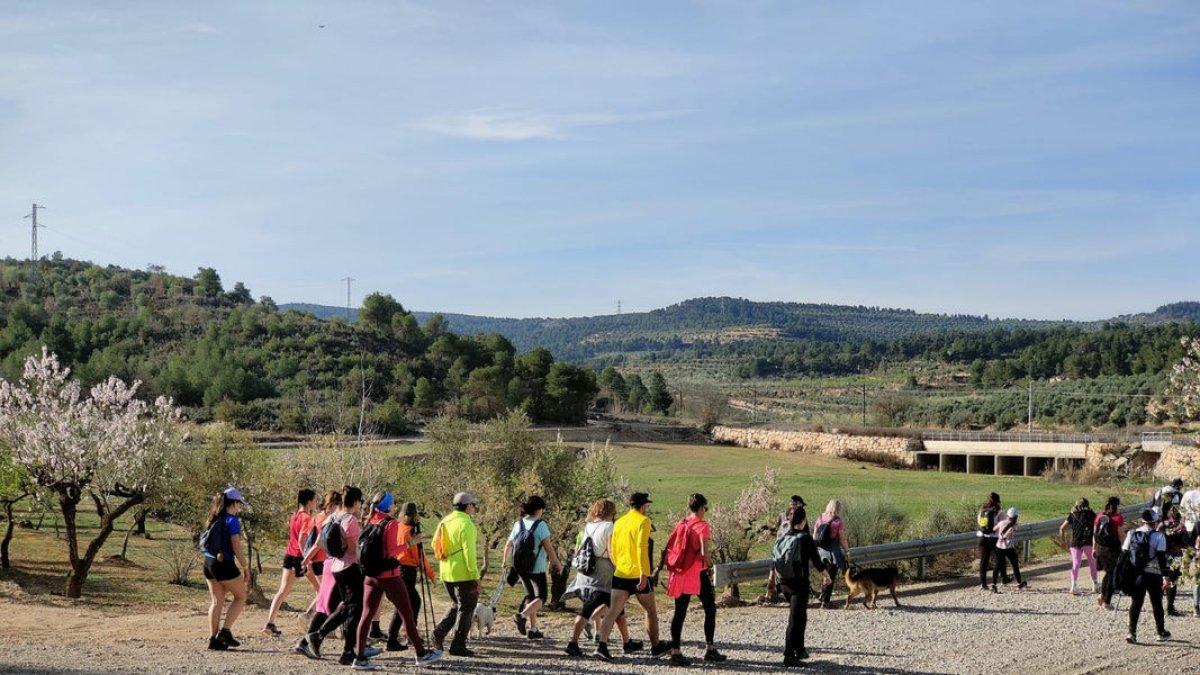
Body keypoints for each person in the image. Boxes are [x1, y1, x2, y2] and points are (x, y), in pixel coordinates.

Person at [352, 492, 442, 670]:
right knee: (407, 615)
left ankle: (359, 657)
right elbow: (393, 551)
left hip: (370, 576)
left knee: (366, 616)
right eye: (392, 503)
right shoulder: (390, 523)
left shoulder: (369, 519)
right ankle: (421, 654)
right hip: (389, 576)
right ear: (389, 506)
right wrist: (412, 541)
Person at [594, 492, 671, 662]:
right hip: (638, 574)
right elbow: (641, 549)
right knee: (650, 610)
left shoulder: (619, 522)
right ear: (644, 506)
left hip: (620, 573)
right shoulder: (643, 521)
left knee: (613, 610)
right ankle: (656, 647)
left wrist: (618, 566)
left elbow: (612, 548)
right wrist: (644, 574)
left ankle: (602, 646)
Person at [563, 499, 639, 657]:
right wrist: (620, 567)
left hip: (586, 572)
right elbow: (611, 550)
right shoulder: (609, 526)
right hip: (603, 574)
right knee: (591, 608)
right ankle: (573, 642)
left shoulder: (589, 525)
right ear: (611, 512)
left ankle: (627, 642)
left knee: (617, 608)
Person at [665, 493, 726, 667]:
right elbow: (705, 553)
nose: (705, 511)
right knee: (710, 608)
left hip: (681, 572)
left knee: (680, 612)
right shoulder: (702, 526)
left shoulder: (682, 523)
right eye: (705, 508)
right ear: (700, 508)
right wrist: (710, 565)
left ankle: (676, 652)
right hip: (697, 574)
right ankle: (710, 648)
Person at [772, 505, 830, 668]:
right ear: (803, 521)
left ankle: (800, 649)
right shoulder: (805, 538)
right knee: (795, 618)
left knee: (800, 614)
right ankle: (788, 655)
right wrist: (827, 576)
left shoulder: (784, 536)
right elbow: (817, 562)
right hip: (799, 584)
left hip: (784, 582)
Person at [503, 495, 563, 640]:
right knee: (541, 597)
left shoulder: (519, 524)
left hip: (520, 568)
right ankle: (521, 616)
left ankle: (534, 629)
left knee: (530, 597)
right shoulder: (540, 525)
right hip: (536, 568)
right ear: (538, 509)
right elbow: (548, 547)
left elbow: (508, 545)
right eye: (542, 509)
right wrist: (557, 563)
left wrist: (504, 562)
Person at [263, 488, 320, 637]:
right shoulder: (307, 518)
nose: (315, 502)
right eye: (314, 499)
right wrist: (307, 559)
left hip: (289, 555)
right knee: (321, 589)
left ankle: (270, 623)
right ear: (309, 501)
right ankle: (310, 618)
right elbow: (302, 540)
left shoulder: (294, 516)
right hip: (299, 558)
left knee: (282, 591)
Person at [432, 492, 481, 657]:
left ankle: (438, 634)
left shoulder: (444, 521)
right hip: (463, 574)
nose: (474, 508)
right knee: (467, 608)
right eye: (473, 505)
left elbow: (434, 544)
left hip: (446, 571)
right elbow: (469, 553)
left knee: (456, 604)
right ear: (468, 506)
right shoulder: (466, 524)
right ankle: (458, 646)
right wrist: (475, 575)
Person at [295, 490, 343, 659]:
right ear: (333, 505)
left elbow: (307, 540)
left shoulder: (317, 518)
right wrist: (305, 559)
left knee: (325, 604)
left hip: (321, 564)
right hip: (327, 564)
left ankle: (306, 641)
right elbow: (317, 543)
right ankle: (312, 637)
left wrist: (305, 559)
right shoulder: (329, 520)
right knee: (328, 606)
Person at [202, 487, 249, 651]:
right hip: (224, 563)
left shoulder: (213, 518)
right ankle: (225, 631)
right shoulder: (232, 520)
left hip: (208, 562)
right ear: (234, 503)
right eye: (239, 504)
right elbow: (236, 546)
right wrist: (245, 567)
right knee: (241, 596)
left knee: (216, 601)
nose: (239, 508)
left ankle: (213, 639)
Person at [385, 502, 435, 652]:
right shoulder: (409, 532)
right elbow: (419, 557)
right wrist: (430, 574)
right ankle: (401, 637)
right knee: (411, 603)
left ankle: (401, 636)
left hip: (397, 569)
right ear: (413, 516)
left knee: (404, 604)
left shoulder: (398, 527)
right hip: (407, 571)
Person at [1123, 509, 1171, 644]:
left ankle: (1131, 633)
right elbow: (1162, 558)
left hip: (1137, 574)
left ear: (1143, 521)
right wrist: (1166, 577)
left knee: (1136, 603)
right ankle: (1160, 632)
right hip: (1153, 573)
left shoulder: (1132, 533)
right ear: (1155, 522)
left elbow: (1125, 554)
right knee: (1156, 603)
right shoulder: (1159, 536)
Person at [767, 495, 807, 602]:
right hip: (789, 551)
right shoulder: (794, 517)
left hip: (779, 550)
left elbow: (776, 531)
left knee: (775, 573)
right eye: (798, 505)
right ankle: (774, 594)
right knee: (783, 574)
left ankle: (773, 594)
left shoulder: (783, 516)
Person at [814, 499, 850, 608]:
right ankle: (825, 602)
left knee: (826, 575)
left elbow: (814, 535)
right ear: (839, 509)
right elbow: (842, 539)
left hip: (820, 552)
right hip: (832, 553)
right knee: (831, 576)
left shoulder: (820, 518)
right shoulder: (838, 521)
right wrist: (847, 551)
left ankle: (823, 597)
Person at [1058, 497, 1098, 594]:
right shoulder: (1091, 514)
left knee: (1076, 564)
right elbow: (1097, 528)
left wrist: (1063, 541)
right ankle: (1095, 585)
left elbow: (1062, 528)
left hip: (1075, 542)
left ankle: (1073, 586)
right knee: (1092, 562)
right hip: (1088, 541)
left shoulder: (1072, 515)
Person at [1094, 496, 1125, 610]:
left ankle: (1102, 595)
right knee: (1113, 575)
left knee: (1108, 573)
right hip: (1113, 549)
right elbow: (1121, 535)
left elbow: (1094, 534)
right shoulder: (1118, 518)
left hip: (1101, 549)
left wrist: (1094, 549)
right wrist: (1125, 548)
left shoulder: (1099, 516)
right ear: (1117, 506)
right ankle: (1107, 602)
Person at [992, 507, 1026, 591]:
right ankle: (1019, 583)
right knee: (1015, 566)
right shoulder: (1015, 526)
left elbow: (994, 529)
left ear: (1007, 515)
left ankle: (993, 584)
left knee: (997, 566)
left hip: (999, 547)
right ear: (1016, 516)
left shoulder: (1001, 522)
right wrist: (1007, 533)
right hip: (1009, 548)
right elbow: (1009, 533)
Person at [976, 492, 1002, 591]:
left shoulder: (982, 511)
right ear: (998, 502)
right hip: (993, 538)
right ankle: (995, 583)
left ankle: (983, 584)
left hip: (981, 538)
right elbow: (1001, 525)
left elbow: (979, 524)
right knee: (999, 559)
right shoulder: (998, 512)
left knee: (984, 561)